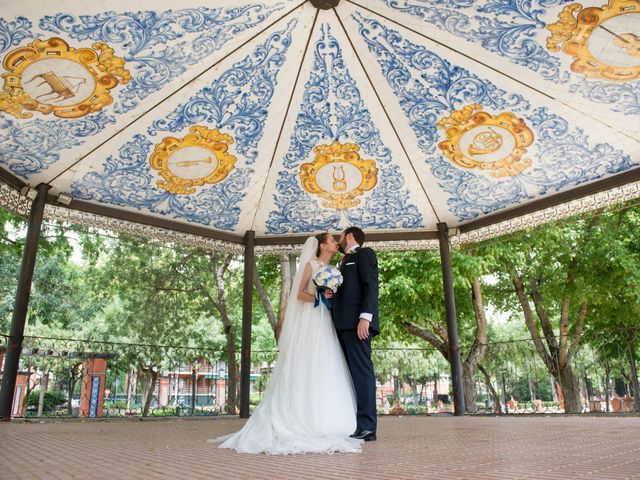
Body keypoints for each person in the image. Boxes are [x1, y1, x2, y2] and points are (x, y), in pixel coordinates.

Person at [214, 233, 362, 454]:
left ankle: (325, 417)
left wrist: (332, 296)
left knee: (325, 366)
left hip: (326, 320)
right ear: (322, 245)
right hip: (310, 320)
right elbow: (299, 294)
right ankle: (300, 417)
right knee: (306, 363)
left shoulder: (336, 269)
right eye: (332, 240)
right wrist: (319, 297)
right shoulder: (311, 265)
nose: (336, 243)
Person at [331, 226, 379, 442]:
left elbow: (371, 285)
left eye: (340, 237)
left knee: (362, 373)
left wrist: (365, 318)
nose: (338, 241)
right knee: (349, 375)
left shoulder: (364, 254)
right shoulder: (343, 261)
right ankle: (356, 425)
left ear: (349, 236)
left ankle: (368, 427)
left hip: (356, 323)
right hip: (341, 323)